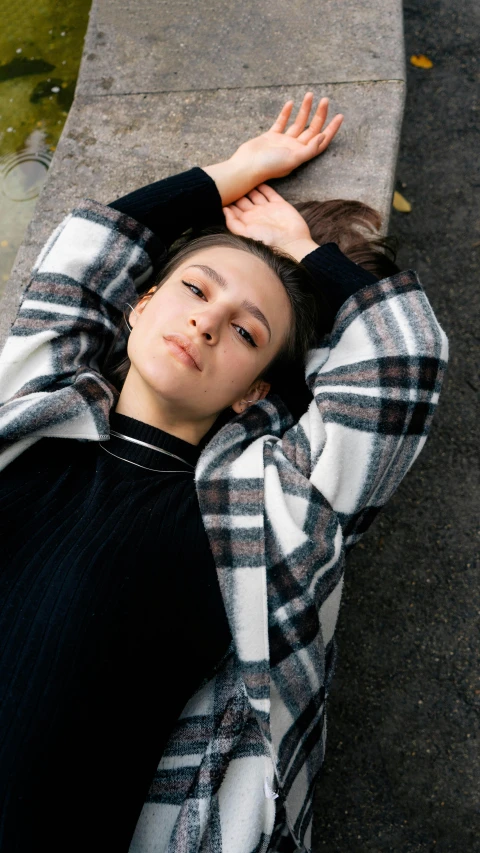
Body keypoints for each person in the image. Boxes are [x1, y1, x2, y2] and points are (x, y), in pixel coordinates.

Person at [0, 93, 448, 852]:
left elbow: (402, 363)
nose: (208, 320)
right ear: (138, 305)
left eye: (246, 330)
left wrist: (305, 251)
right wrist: (234, 173)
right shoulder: (35, 407)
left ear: (254, 390)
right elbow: (85, 250)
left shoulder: (253, 510)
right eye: (196, 289)